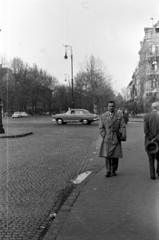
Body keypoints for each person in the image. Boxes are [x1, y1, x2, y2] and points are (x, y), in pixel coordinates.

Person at [98, 101, 126, 177]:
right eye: (110, 106)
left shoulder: (119, 116)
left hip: (116, 137)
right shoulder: (103, 116)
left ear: (115, 107)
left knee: (115, 154)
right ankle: (108, 170)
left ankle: (113, 170)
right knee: (107, 155)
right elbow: (101, 127)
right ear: (107, 107)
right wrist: (104, 135)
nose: (111, 107)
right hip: (107, 137)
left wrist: (122, 136)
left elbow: (123, 126)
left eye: (112, 106)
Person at [144, 102, 159, 180]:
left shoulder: (146, 116)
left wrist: (151, 138)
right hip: (158, 141)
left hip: (149, 141)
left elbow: (145, 130)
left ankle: (152, 174)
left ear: (151, 107)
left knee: (151, 158)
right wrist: (156, 138)